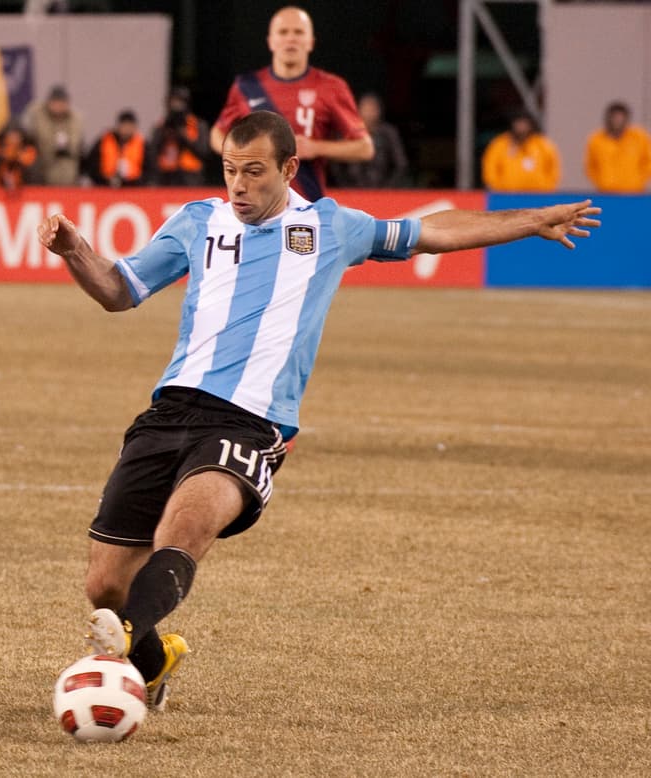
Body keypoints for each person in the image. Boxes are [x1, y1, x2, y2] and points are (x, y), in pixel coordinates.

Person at [36, 110, 599, 712]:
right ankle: (153, 655)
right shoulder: (197, 221)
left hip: (250, 423)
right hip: (169, 410)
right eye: (230, 170)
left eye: (254, 172)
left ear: (289, 168)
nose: (239, 186)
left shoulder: (331, 226)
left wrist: (531, 219)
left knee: (187, 527)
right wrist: (75, 252)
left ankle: (120, 643)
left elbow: (434, 230)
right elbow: (120, 290)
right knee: (104, 583)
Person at [209, 6, 372, 200]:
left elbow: (364, 148)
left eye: (298, 32)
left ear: (310, 42)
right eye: (283, 32)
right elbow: (217, 134)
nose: (291, 38)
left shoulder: (331, 87)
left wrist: (316, 148)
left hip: (307, 203)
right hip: (254, 203)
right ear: (271, 41)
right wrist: (242, 155)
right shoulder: (246, 86)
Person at [328, 92, 408, 188]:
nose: (369, 113)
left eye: (373, 109)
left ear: (379, 111)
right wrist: (345, 186)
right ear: (358, 110)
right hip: (352, 189)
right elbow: (336, 163)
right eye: (366, 109)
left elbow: (401, 164)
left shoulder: (389, 133)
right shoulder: (346, 132)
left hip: (382, 188)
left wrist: (389, 188)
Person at [481, 112, 560, 192]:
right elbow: (490, 167)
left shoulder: (542, 144)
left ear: (530, 125)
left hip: (539, 195)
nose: (521, 127)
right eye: (518, 123)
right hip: (506, 195)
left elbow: (553, 167)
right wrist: (495, 188)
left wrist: (548, 187)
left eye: (524, 123)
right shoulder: (500, 144)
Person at [149, 86, 211, 187]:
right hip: (166, 176)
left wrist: (183, 136)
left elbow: (203, 152)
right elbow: (152, 152)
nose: (176, 105)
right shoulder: (161, 126)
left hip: (191, 176)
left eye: (179, 101)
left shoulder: (198, 125)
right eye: (173, 101)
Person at [584, 101, 651, 193]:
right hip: (606, 192)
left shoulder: (639, 137)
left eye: (620, 118)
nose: (617, 121)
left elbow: (647, 162)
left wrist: (639, 181)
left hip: (635, 192)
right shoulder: (596, 140)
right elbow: (591, 166)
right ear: (608, 118)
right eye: (615, 117)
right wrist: (601, 183)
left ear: (626, 119)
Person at [24, 84, 84, 186]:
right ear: (49, 102)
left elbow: (75, 144)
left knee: (66, 166)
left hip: (65, 166)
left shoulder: (74, 119)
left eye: (62, 103)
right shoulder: (38, 116)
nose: (58, 106)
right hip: (42, 162)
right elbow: (36, 138)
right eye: (56, 102)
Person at [86, 109, 145, 188]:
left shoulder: (141, 143)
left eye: (130, 126)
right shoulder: (104, 140)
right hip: (105, 186)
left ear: (134, 127)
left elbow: (149, 170)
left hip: (133, 187)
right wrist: (104, 179)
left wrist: (137, 181)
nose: (126, 129)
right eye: (124, 125)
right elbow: (91, 164)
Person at [0, 122, 37, 191]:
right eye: (8, 145)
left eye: (16, 147)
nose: (11, 151)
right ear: (1, 147)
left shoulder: (29, 172)